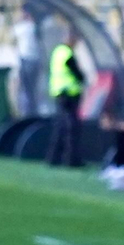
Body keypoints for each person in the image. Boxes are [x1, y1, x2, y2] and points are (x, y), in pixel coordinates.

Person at [46, 37, 85, 167]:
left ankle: (53, 158)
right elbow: (76, 73)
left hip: (59, 94)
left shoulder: (57, 51)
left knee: (60, 126)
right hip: (69, 94)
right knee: (71, 128)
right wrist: (82, 78)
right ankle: (71, 160)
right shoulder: (67, 53)